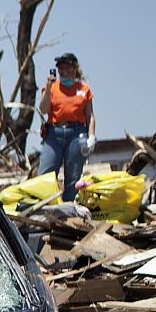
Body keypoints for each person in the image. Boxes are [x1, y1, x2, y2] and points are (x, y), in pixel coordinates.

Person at [36, 53, 96, 203]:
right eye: (61, 69)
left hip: (76, 134)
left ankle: (69, 206)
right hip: (53, 134)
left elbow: (90, 115)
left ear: (75, 69)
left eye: (68, 68)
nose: (65, 72)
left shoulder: (84, 89)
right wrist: (49, 87)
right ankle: (45, 205)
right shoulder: (51, 88)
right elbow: (43, 109)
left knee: (73, 176)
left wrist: (91, 136)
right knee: (46, 172)